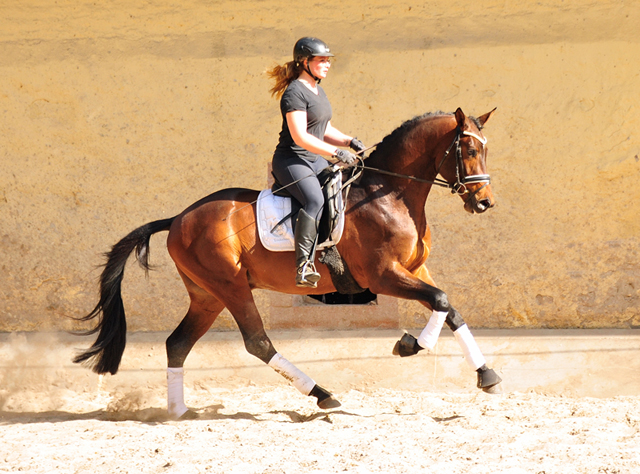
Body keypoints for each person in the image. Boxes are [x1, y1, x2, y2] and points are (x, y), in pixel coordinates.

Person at [267, 37, 366, 288]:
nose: (327, 64)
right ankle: (304, 265)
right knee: (315, 200)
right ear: (304, 62)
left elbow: (324, 127)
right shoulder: (294, 93)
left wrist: (349, 141)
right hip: (291, 159)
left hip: (313, 158)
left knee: (340, 192)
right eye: (321, 60)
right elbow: (301, 137)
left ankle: (328, 247)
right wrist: (335, 152)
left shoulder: (317, 90)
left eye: (327, 60)